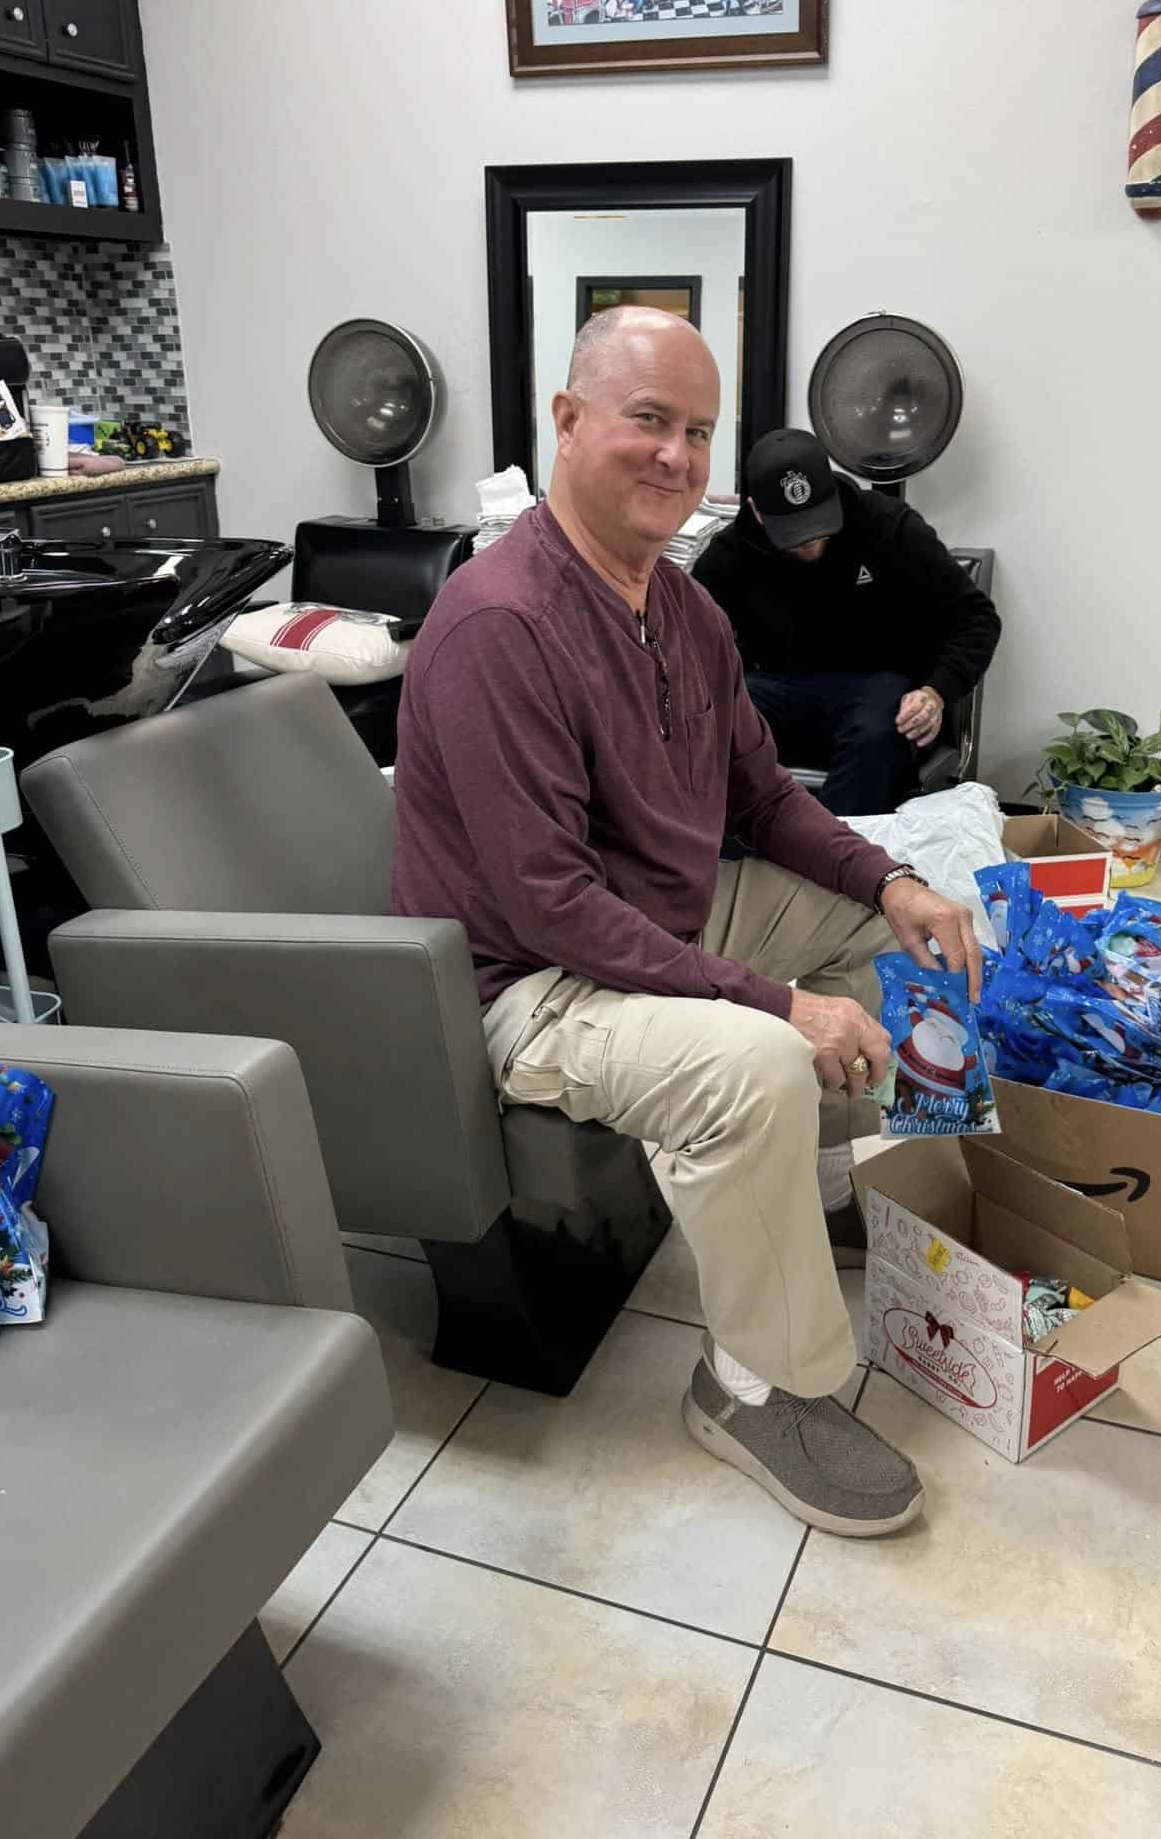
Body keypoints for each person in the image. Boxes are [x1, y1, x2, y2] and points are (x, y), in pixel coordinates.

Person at [393, 308, 981, 1539]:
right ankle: (755, 1386)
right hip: (529, 982)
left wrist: (893, 883)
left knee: (903, 934)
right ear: (568, 420)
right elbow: (551, 904)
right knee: (757, 1061)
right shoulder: (503, 624)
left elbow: (761, 799)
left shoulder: (683, 609)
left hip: (655, 918)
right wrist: (772, 1001)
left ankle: (818, 1188)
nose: (676, 455)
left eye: (697, 431)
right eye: (648, 419)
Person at [694, 428, 1003, 816]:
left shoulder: (888, 526)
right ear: (756, 511)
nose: (809, 541)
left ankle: (834, 850)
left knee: (877, 732)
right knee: (709, 718)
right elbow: (687, 643)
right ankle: (720, 847)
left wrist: (936, 692)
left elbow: (976, 618)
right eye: (792, 531)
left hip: (877, 686)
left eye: (818, 522)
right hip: (778, 686)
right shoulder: (729, 555)